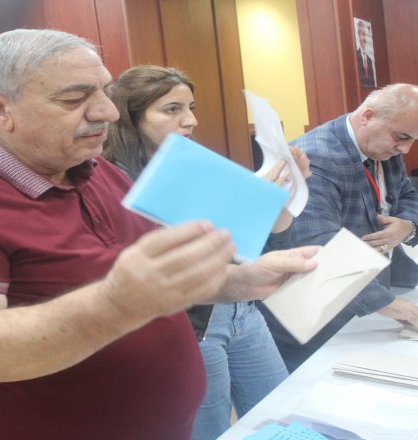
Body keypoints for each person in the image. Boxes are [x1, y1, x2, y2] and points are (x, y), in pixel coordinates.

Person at [0, 29, 320, 439]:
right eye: (74, 98)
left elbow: (154, 284)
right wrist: (117, 302)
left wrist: (240, 280)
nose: (107, 111)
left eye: (103, 90)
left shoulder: (97, 170)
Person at [103, 65, 311, 439]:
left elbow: (274, 237)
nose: (190, 120)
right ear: (131, 117)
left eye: (191, 108)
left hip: (242, 310)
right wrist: (247, 200)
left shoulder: (195, 163)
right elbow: (169, 255)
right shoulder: (113, 179)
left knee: (278, 416)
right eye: (172, 109)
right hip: (193, 321)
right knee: (208, 429)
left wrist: (283, 192)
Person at [259, 83, 418, 373]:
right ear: (368, 116)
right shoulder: (317, 157)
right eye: (402, 137)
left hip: (364, 291)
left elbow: (407, 193)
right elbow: (319, 245)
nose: (406, 148)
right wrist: (386, 304)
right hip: (316, 308)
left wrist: (407, 226)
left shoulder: (383, 144)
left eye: (414, 140)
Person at [356, 20, 377, 88]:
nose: (364, 38)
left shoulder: (370, 60)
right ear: (358, 36)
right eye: (362, 34)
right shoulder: (355, 57)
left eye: (365, 34)